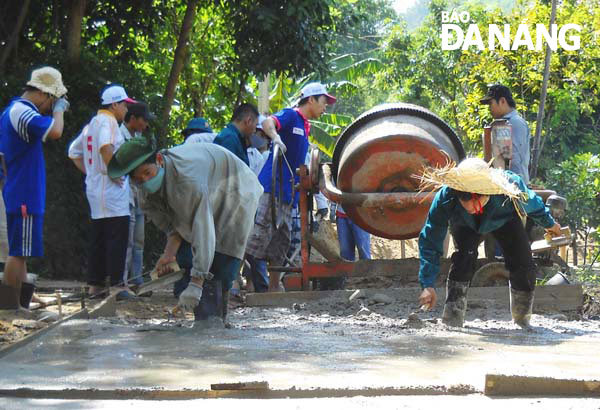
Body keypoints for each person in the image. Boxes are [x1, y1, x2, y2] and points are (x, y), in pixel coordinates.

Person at [107, 138, 263, 324]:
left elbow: (202, 231)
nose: (145, 181)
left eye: (147, 173)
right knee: (186, 257)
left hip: (236, 191)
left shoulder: (188, 181)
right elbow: (175, 226)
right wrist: (168, 254)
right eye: (138, 179)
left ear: (158, 159)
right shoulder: (145, 192)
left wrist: (196, 283)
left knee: (221, 261)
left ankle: (214, 324)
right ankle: (205, 317)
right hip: (208, 188)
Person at [416, 158, 562, 329]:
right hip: (464, 223)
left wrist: (550, 224)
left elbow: (534, 205)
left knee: (523, 262)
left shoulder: (510, 185)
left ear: (488, 192)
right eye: (465, 199)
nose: (470, 205)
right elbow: (430, 239)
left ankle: (522, 320)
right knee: (463, 259)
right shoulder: (446, 197)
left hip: (505, 219)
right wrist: (427, 284)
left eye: (475, 198)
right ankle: (452, 318)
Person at [245, 82, 336, 292]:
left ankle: (274, 286)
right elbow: (268, 122)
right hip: (271, 188)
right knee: (256, 236)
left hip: (288, 193)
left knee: (282, 241)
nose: (325, 108)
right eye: (323, 103)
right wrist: (275, 137)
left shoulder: (306, 126)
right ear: (311, 100)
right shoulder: (290, 115)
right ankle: (238, 284)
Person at [0, 66, 69, 307]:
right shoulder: (22, 111)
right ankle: (10, 307)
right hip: (24, 192)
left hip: (21, 190)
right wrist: (59, 112)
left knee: (21, 250)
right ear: (43, 94)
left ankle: (22, 301)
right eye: (53, 100)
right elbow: (56, 131)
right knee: (17, 253)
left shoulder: (13, 111)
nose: (52, 107)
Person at [68, 84, 136, 300]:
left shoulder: (92, 124)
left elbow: (73, 152)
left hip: (96, 188)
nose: (126, 110)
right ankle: (117, 286)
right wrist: (115, 172)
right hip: (111, 190)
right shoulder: (107, 122)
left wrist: (91, 172)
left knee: (99, 236)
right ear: (114, 104)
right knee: (118, 236)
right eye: (124, 105)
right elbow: (105, 147)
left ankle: (94, 285)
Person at [120, 102, 154, 289]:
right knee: (127, 241)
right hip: (125, 194)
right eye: (144, 120)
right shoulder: (119, 136)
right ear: (133, 119)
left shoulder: (141, 137)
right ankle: (123, 282)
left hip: (139, 194)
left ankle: (137, 280)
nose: (146, 125)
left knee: (139, 240)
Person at [479, 84, 531, 184]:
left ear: (502, 101)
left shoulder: (515, 123)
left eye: (491, 104)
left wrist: (514, 186)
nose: (489, 108)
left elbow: (515, 159)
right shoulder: (499, 124)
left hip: (514, 187)